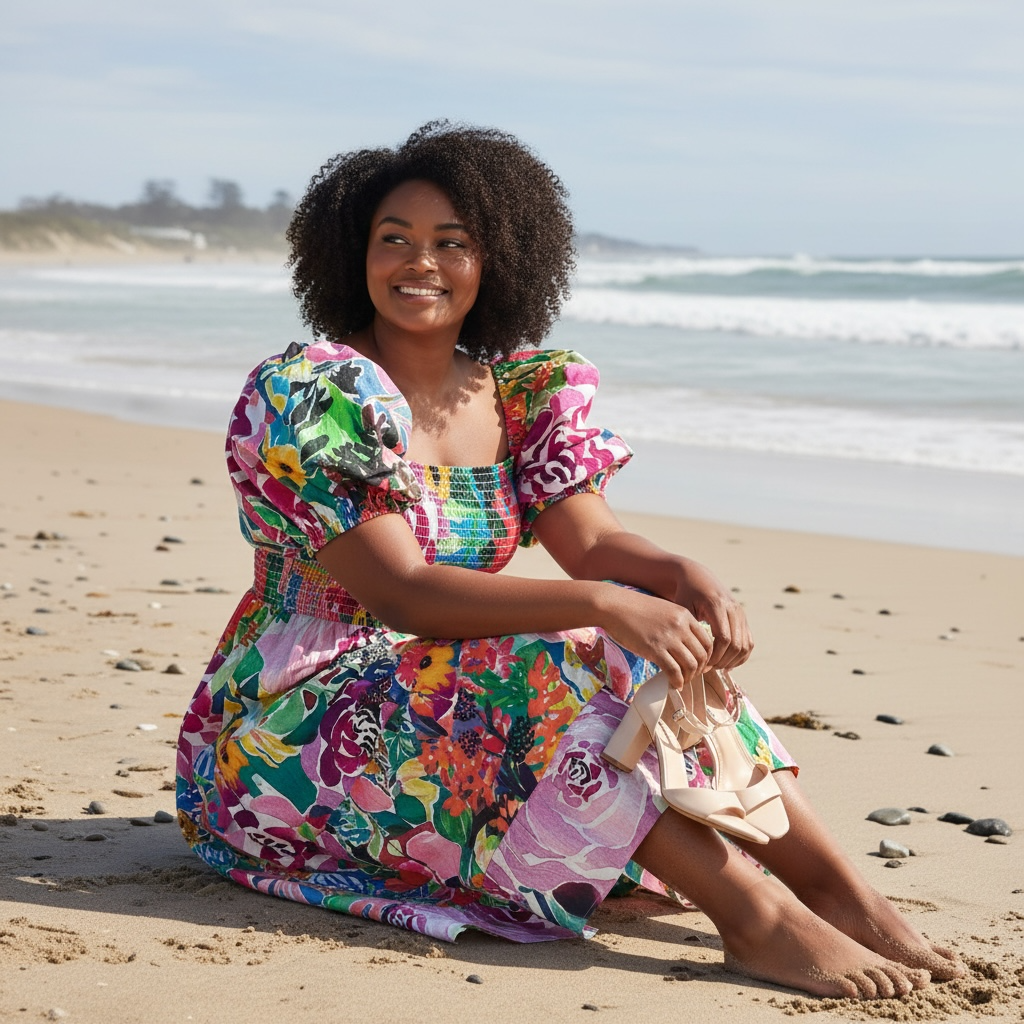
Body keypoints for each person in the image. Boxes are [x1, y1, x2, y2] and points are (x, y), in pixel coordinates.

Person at [175, 121, 965, 1000]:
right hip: (295, 728)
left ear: (498, 258)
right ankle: (758, 919)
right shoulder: (318, 394)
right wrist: (600, 604)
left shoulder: (520, 391)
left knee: (625, 643)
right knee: (558, 650)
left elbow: (590, 541)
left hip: (433, 693)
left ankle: (837, 893)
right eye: (391, 239)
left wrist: (675, 574)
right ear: (351, 253)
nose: (418, 263)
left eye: (451, 243)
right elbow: (401, 595)